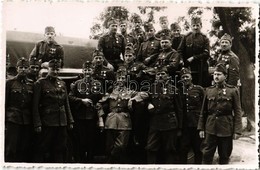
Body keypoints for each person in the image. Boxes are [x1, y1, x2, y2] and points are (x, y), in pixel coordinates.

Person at [96, 69, 148, 164]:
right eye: (119, 78)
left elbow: (145, 95)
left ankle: (109, 163)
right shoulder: (111, 92)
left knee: (121, 146)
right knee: (109, 147)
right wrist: (100, 119)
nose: (120, 80)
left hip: (124, 121)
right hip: (110, 120)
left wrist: (132, 99)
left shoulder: (129, 92)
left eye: (122, 78)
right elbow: (99, 104)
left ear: (126, 80)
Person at [197, 63, 243, 164]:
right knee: (206, 155)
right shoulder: (209, 90)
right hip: (210, 128)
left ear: (225, 76)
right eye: (215, 74)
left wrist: (237, 130)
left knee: (224, 156)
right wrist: (201, 128)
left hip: (226, 128)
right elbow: (203, 111)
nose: (216, 76)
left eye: (219, 74)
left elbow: (237, 111)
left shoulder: (232, 91)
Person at [32, 59, 74, 163]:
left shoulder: (62, 83)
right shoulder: (40, 83)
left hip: (61, 122)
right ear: (48, 69)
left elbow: (66, 103)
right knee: (43, 148)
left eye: (57, 69)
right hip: (48, 122)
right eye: (52, 69)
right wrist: (37, 123)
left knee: (60, 148)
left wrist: (70, 120)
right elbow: (35, 106)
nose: (55, 71)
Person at [146, 66, 182, 164]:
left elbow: (179, 109)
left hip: (169, 123)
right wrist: (148, 104)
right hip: (155, 122)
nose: (160, 76)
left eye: (163, 74)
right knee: (150, 147)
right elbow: (147, 100)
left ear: (168, 76)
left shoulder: (174, 89)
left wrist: (179, 127)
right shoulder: (151, 88)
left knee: (169, 149)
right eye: (158, 74)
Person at [69, 60, 103, 163]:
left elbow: (101, 99)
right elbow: (70, 97)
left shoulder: (98, 84)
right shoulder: (77, 84)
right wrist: (81, 101)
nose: (87, 72)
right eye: (86, 70)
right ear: (83, 71)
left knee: (91, 141)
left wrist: (100, 117)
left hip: (92, 117)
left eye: (89, 70)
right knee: (81, 141)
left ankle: (90, 162)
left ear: (92, 71)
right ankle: (81, 161)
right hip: (80, 117)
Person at [5, 58, 34, 162]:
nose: (23, 70)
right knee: (10, 148)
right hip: (13, 119)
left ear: (29, 69)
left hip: (26, 120)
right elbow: (5, 103)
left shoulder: (31, 84)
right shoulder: (9, 83)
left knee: (24, 148)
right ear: (17, 69)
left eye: (26, 68)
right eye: (21, 67)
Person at [178, 67, 204, 164]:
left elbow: (204, 107)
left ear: (191, 77)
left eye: (187, 76)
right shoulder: (179, 91)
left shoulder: (199, 89)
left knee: (198, 149)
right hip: (185, 125)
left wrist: (202, 125)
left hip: (197, 124)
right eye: (183, 77)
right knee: (183, 149)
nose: (185, 79)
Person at [178, 17, 210, 87]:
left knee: (201, 86)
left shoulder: (205, 38)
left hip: (201, 67)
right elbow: (180, 50)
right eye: (193, 25)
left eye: (197, 25)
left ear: (201, 25)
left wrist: (194, 57)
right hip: (188, 67)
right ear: (191, 26)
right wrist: (181, 60)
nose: (195, 28)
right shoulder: (186, 37)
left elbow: (206, 54)